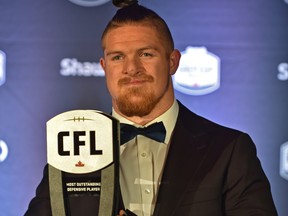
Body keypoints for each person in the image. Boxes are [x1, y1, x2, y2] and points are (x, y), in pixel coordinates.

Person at [25, 1, 277, 215]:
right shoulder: (72, 150)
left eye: (146, 54)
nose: (131, 68)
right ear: (104, 66)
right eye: (118, 57)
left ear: (173, 62)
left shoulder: (230, 150)